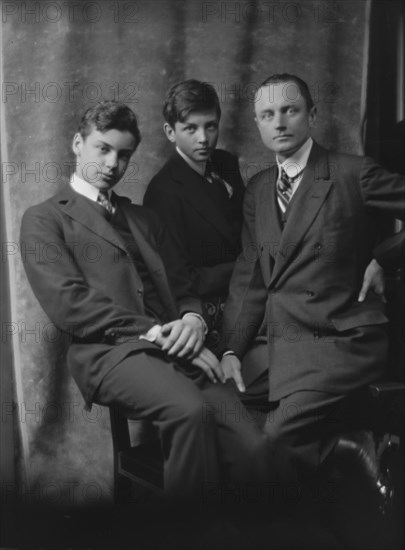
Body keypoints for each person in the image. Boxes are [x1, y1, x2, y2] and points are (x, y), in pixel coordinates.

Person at [19, 100, 273, 506]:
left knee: (254, 447)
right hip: (111, 353)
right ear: (77, 143)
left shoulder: (144, 219)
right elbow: (69, 305)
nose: (111, 164)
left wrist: (193, 320)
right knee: (191, 413)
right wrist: (154, 332)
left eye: (123, 155)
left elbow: (183, 283)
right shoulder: (45, 218)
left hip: (180, 347)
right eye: (102, 149)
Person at [220, 73, 405, 480]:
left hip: (339, 340)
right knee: (215, 417)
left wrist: (384, 258)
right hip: (279, 342)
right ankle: (342, 447)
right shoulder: (258, 188)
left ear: (312, 115)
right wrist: (231, 349)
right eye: (268, 114)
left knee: (274, 441)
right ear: (257, 124)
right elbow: (250, 278)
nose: (280, 122)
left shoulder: (353, 173)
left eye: (290, 110)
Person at [143, 80, 245, 352]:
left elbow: (246, 230)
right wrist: (248, 266)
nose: (203, 138)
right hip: (211, 308)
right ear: (170, 132)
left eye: (210, 126)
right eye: (191, 128)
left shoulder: (225, 163)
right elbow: (183, 279)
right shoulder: (162, 191)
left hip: (249, 291)